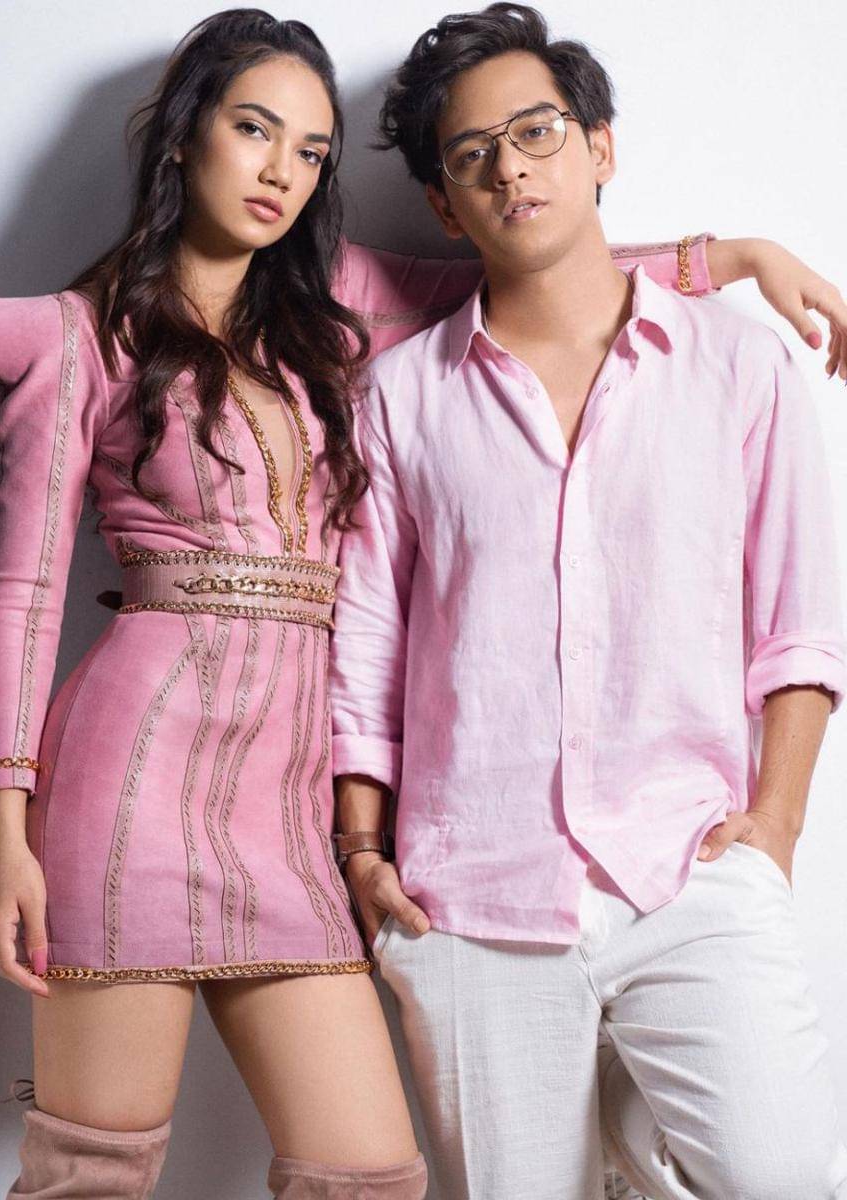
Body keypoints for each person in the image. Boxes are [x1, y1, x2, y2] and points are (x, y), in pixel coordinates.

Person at [0, 8, 845, 1200]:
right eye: (253, 130)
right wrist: (5, 833)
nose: (281, 171)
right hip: (131, 768)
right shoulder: (82, 338)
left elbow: (539, 259)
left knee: (368, 1176)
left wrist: (730, 257)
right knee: (93, 1175)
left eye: (312, 150)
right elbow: (24, 593)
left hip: (288, 797)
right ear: (182, 137)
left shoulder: (337, 309)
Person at [331, 6, 847, 1200]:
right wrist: (362, 852)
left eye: (537, 131)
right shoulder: (400, 397)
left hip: (689, 867)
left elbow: (800, 629)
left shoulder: (741, 367)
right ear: (445, 206)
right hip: (469, 895)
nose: (511, 168)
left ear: (600, 146)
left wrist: (775, 829)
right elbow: (367, 649)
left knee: (780, 1177)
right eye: (472, 155)